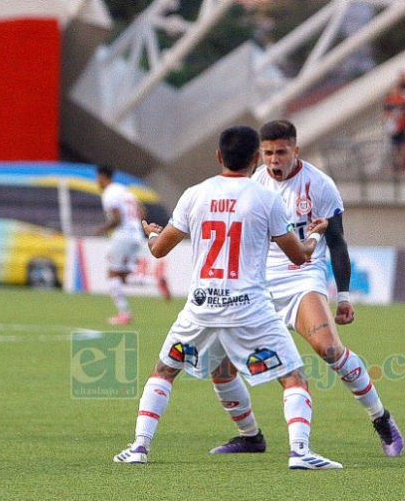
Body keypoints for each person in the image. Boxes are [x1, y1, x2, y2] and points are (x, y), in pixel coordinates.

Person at [113, 126, 342, 470]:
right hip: (249, 307)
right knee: (293, 378)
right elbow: (299, 256)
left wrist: (154, 234)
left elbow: (159, 250)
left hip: (202, 306)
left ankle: (139, 447)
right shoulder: (266, 199)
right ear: (255, 159)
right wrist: (312, 235)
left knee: (164, 371)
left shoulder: (195, 194)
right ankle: (300, 452)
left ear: (219, 156)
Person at [208, 120, 404, 457]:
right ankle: (250, 436)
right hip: (257, 282)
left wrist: (342, 296)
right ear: (259, 154)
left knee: (329, 350)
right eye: (267, 153)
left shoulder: (320, 185)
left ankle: (381, 418)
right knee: (218, 362)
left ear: (295, 150)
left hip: (302, 275)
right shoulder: (252, 183)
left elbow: (338, 243)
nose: (274, 160)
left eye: (281, 152)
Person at [95, 166, 170, 325]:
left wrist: (102, 229)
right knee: (122, 276)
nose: (97, 181)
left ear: (103, 176)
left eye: (98, 178)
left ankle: (124, 314)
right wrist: (136, 223)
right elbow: (142, 211)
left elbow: (117, 217)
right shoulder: (125, 190)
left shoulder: (109, 193)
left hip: (123, 236)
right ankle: (154, 280)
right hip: (135, 234)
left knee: (112, 276)